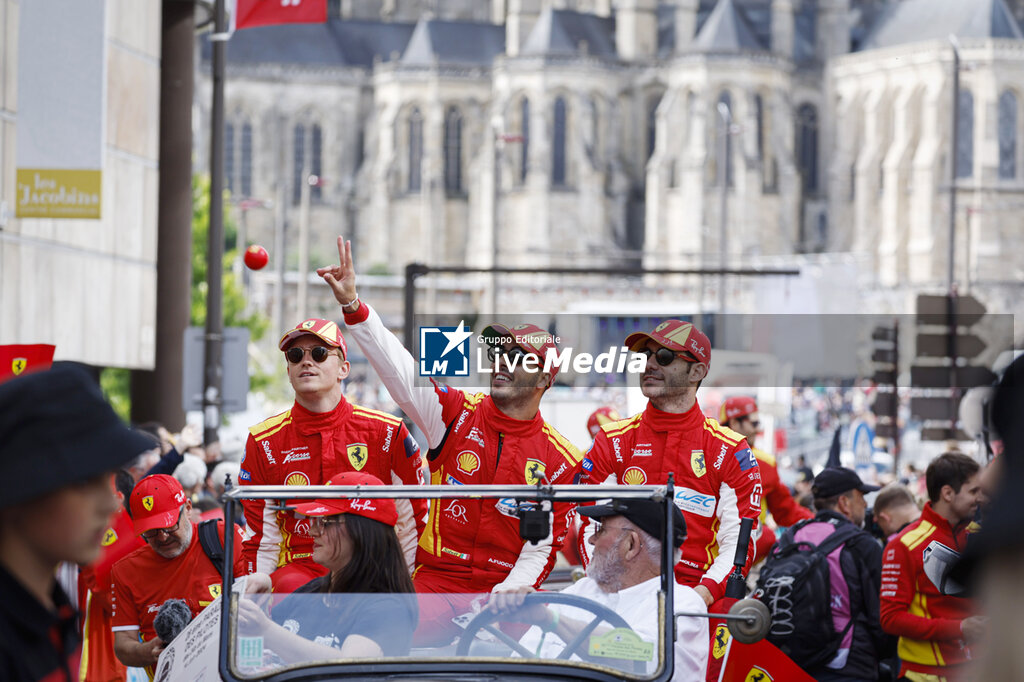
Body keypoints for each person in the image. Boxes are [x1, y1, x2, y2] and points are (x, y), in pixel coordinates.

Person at [317, 237, 584, 646]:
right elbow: (401, 372)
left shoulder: (562, 458)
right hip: (437, 584)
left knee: (525, 657)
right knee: (378, 631)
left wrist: (513, 589)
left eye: (518, 358)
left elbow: (543, 545)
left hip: (508, 598)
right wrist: (355, 307)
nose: (502, 363)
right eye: (500, 353)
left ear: (546, 379)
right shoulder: (455, 411)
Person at [580, 320, 762, 607]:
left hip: (694, 602)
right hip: (618, 594)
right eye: (645, 356)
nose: (650, 364)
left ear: (697, 372)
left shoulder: (730, 450)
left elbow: (738, 544)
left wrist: (697, 600)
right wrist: (610, 586)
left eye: (664, 357)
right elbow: (584, 523)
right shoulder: (612, 440)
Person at [239, 316, 427, 592]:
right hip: (299, 573)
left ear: (343, 369)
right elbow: (261, 539)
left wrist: (406, 590)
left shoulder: (387, 431)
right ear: (289, 371)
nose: (306, 361)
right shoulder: (263, 441)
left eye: (319, 353)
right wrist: (254, 590)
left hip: (372, 567)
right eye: (295, 355)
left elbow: (413, 525)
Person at [0, 365, 153, 681]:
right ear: (18, 486)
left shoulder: (56, 612)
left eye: (108, 478)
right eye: (84, 480)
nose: (111, 502)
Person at [498, 499, 708, 679]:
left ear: (631, 546)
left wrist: (552, 620)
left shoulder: (681, 604)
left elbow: (640, 661)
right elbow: (523, 661)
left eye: (602, 530)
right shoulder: (582, 589)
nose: (591, 539)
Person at [236, 472, 418, 663]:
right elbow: (254, 661)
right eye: (314, 521)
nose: (312, 531)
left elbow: (351, 667)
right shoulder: (311, 592)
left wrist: (265, 630)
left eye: (324, 522)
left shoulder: (388, 607)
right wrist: (256, 612)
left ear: (360, 531)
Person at [766, 467, 891, 680]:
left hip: (792, 664)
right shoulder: (861, 543)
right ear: (844, 502)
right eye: (861, 497)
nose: (865, 505)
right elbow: (880, 617)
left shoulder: (789, 539)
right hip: (849, 665)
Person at [110, 474, 245, 672]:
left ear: (188, 509)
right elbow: (123, 646)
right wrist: (149, 650)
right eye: (151, 531)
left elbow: (258, 610)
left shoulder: (225, 537)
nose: (163, 537)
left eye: (169, 525)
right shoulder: (125, 571)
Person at [880, 452, 986, 681]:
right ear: (947, 493)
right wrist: (959, 629)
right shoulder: (904, 544)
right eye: (973, 491)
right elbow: (891, 618)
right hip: (924, 674)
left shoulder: (982, 537)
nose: (980, 498)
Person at [718, 396, 813, 561]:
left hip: (740, 551)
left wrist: (819, 521)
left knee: (769, 537)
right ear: (734, 423)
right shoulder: (707, 454)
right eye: (754, 423)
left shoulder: (766, 463)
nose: (758, 429)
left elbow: (786, 511)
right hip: (713, 549)